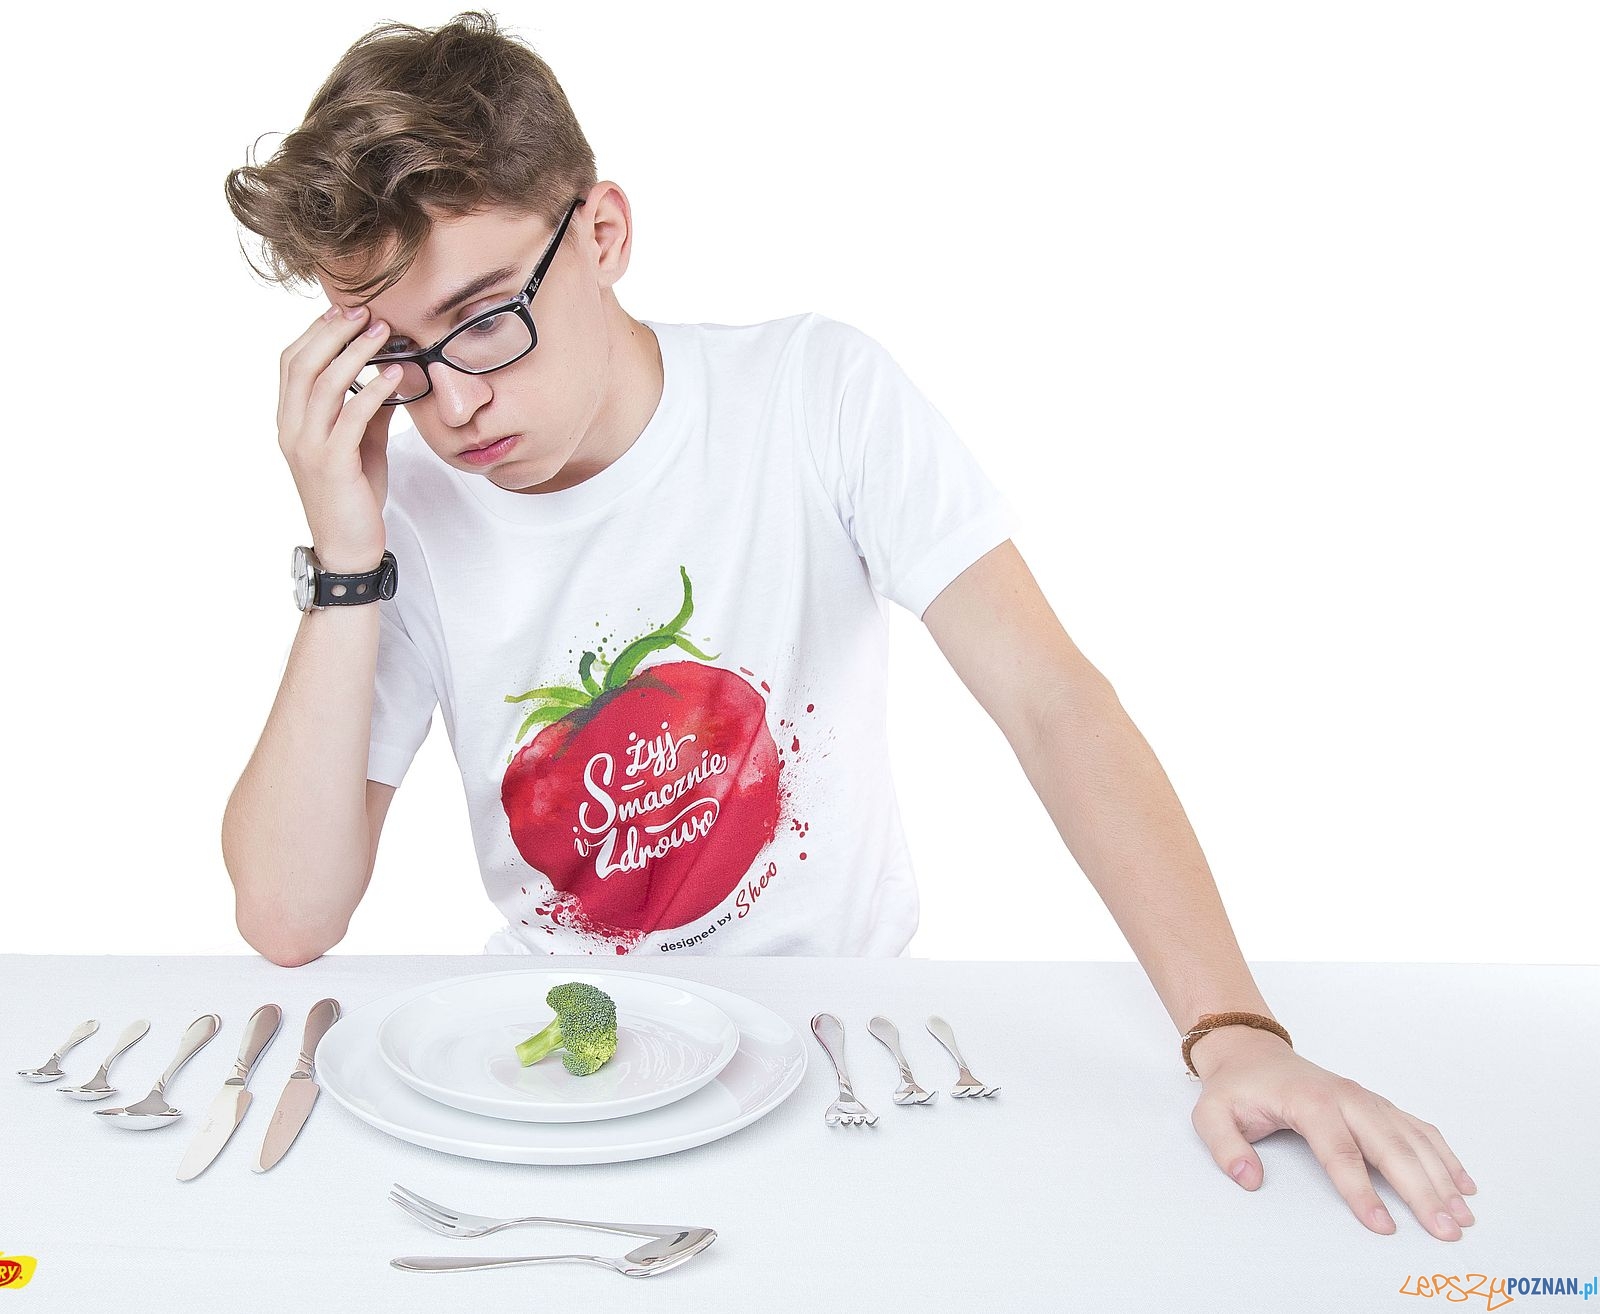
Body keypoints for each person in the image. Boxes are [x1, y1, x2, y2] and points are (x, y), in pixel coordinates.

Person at [220, 10, 1477, 1240]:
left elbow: (1049, 701)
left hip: (841, 1051)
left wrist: (1234, 1033)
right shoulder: (410, 514)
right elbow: (288, 915)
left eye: (489, 316)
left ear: (602, 233)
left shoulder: (812, 396)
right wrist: (346, 559)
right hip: (556, 1063)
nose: (454, 404)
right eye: (398, 357)